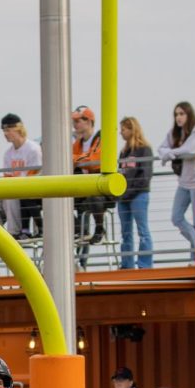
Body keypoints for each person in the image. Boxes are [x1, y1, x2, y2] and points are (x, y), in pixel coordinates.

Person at [0, 114, 43, 241]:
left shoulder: (33, 149)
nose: (5, 133)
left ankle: (14, 232)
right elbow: (7, 177)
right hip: (14, 188)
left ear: (18, 129)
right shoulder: (8, 153)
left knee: (11, 195)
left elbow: (35, 175)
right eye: (4, 130)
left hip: (29, 192)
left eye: (8, 130)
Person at [157, 102, 195, 262]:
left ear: (189, 114)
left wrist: (170, 154)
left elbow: (189, 149)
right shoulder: (174, 133)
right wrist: (169, 153)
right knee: (176, 217)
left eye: (182, 114)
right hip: (183, 182)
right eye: (176, 114)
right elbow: (161, 148)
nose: (178, 117)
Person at [72, 105, 112, 261]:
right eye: (74, 121)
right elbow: (71, 158)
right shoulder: (79, 143)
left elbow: (94, 161)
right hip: (85, 188)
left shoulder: (101, 137)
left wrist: (79, 159)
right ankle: (80, 257)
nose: (75, 124)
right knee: (62, 201)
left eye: (78, 120)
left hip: (103, 189)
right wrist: (82, 159)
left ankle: (100, 229)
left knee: (94, 200)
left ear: (89, 121)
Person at [117, 116, 154, 269]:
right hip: (123, 197)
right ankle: (127, 264)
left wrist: (128, 192)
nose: (121, 133)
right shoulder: (124, 152)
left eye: (123, 129)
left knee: (142, 230)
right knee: (126, 232)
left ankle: (145, 265)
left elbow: (144, 176)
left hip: (138, 195)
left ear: (132, 130)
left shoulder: (144, 149)